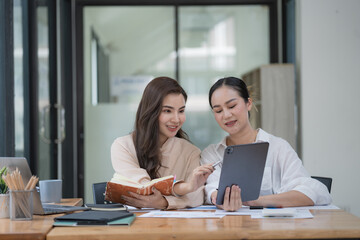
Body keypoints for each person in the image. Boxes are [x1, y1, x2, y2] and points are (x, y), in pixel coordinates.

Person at [201, 77, 332, 211]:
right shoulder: (211, 154)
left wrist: (255, 201)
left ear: (248, 103)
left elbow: (311, 193)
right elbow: (213, 190)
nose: (226, 115)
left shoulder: (278, 147)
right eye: (218, 111)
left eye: (232, 106)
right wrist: (218, 198)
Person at [111, 76, 214, 210]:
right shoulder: (123, 146)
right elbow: (144, 189)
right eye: (167, 111)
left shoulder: (191, 152)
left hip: (176, 227)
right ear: (151, 111)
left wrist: (164, 202)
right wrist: (185, 188)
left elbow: (196, 196)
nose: (177, 119)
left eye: (181, 111)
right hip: (134, 224)